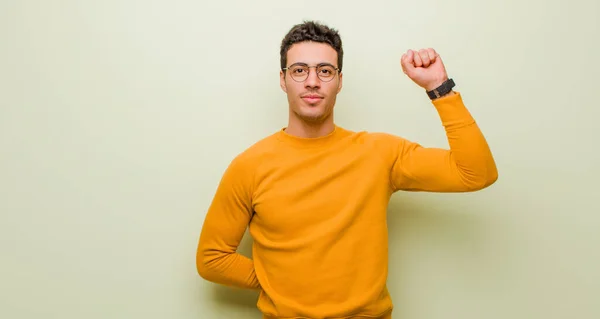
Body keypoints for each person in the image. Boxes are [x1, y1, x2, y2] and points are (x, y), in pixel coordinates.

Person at [196, 20, 498, 319]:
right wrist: (278, 281)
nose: (312, 81)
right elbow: (211, 258)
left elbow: (475, 173)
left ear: (339, 81)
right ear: (283, 79)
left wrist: (439, 88)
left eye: (324, 71)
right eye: (299, 70)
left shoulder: (380, 153)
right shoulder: (249, 166)